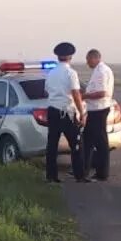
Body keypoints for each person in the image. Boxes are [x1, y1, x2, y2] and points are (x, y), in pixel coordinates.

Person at [45, 42, 87, 183]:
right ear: (70, 56)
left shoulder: (51, 72)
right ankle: (79, 175)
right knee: (76, 144)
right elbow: (76, 93)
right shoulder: (71, 73)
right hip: (66, 112)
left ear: (58, 56)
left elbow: (47, 90)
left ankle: (51, 176)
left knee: (52, 145)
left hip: (52, 110)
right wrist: (81, 112)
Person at [81, 49, 115, 180]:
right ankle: (83, 169)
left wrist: (84, 96)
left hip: (99, 110)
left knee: (100, 142)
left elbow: (102, 93)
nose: (87, 62)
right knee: (87, 140)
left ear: (95, 58)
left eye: (88, 59)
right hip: (93, 110)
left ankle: (102, 173)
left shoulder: (101, 71)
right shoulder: (98, 70)